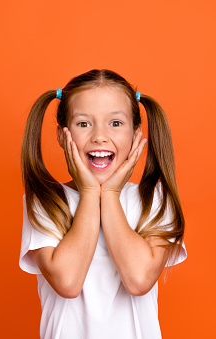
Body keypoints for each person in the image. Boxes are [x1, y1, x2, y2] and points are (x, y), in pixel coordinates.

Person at [19, 69, 187, 339]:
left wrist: (109, 195)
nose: (99, 136)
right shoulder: (45, 201)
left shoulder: (154, 198)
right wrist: (88, 192)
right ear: (63, 136)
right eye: (84, 124)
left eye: (116, 123)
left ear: (135, 134)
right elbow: (68, 282)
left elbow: (138, 279)